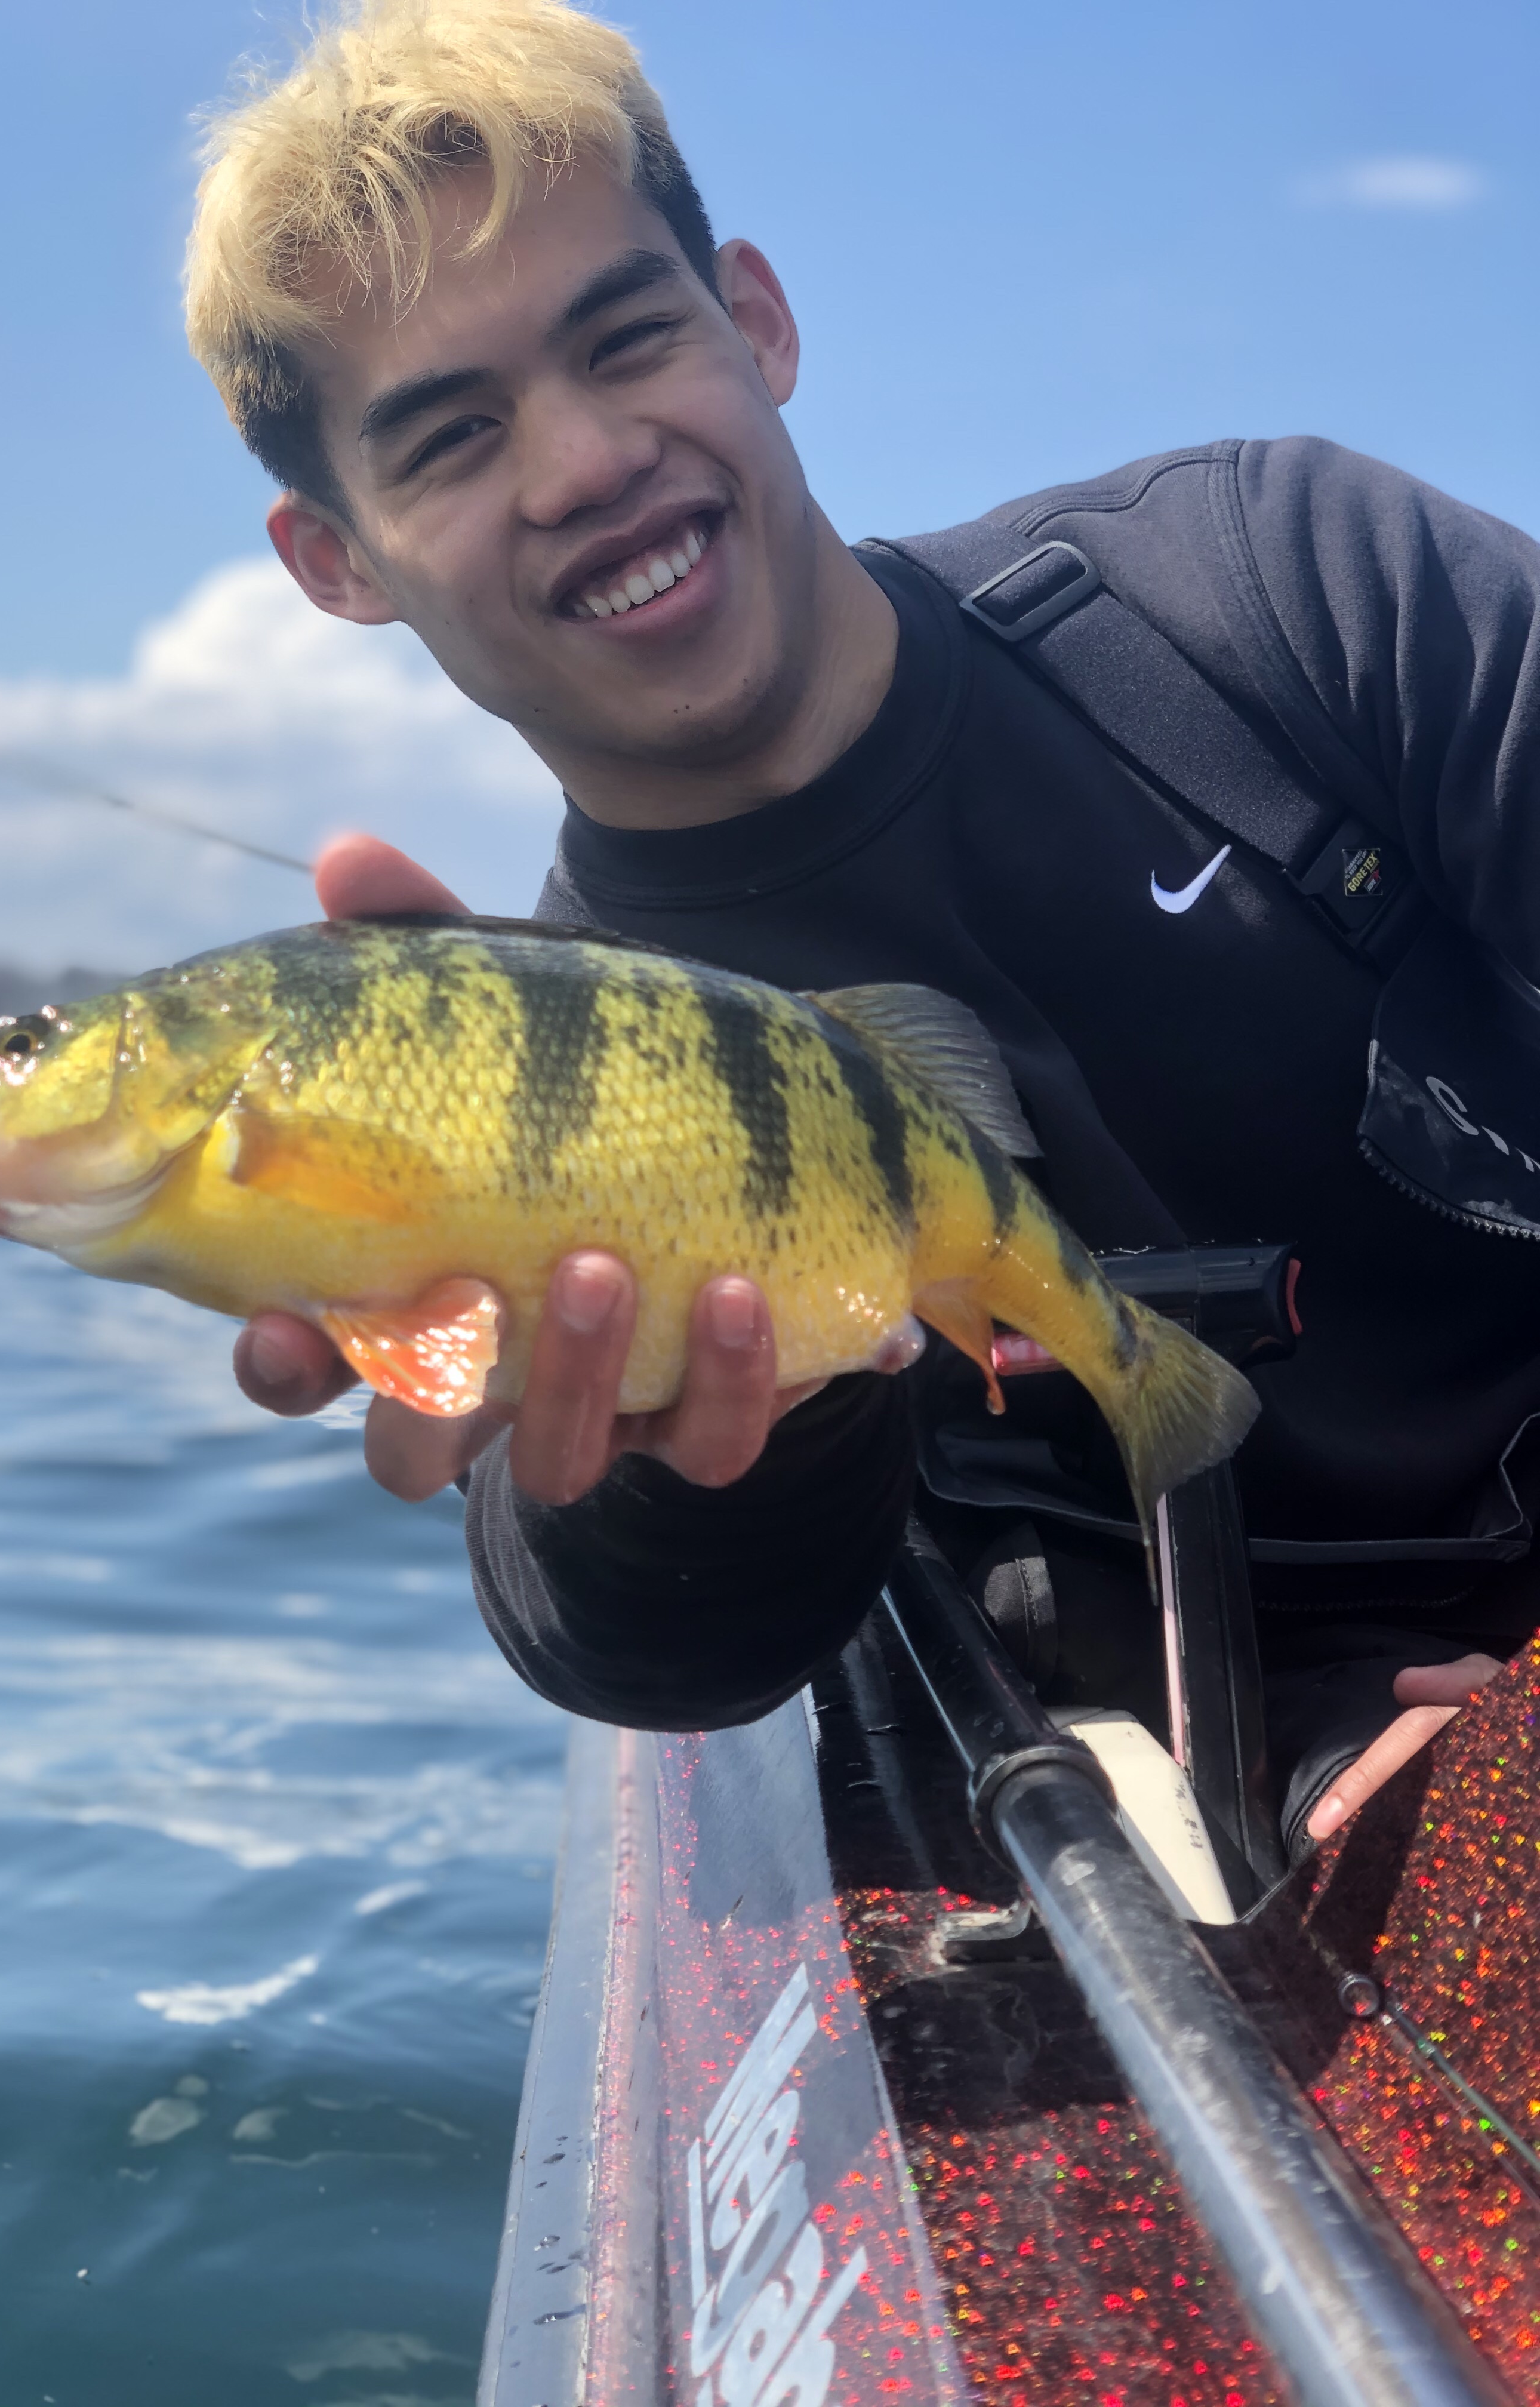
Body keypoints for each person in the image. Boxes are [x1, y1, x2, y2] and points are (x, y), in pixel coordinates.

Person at [183, 0, 1538, 1852]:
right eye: (449, 438)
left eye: (627, 337)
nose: (580, 463)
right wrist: (687, 1457)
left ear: (756, 322)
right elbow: (624, 1636)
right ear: (337, 561)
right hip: (1233, 1818)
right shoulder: (556, 1068)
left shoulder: (1291, 590)